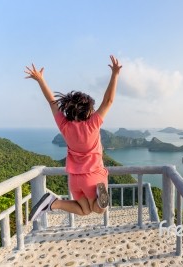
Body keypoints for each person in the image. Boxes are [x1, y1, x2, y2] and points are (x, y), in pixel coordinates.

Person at [25, 55, 122, 221]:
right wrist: (115, 74)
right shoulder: (93, 124)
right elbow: (109, 100)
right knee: (98, 210)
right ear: (89, 111)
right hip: (93, 175)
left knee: (84, 210)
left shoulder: (65, 126)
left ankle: (53, 203)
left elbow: (52, 102)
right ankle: (100, 198)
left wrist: (40, 79)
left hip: (74, 179)